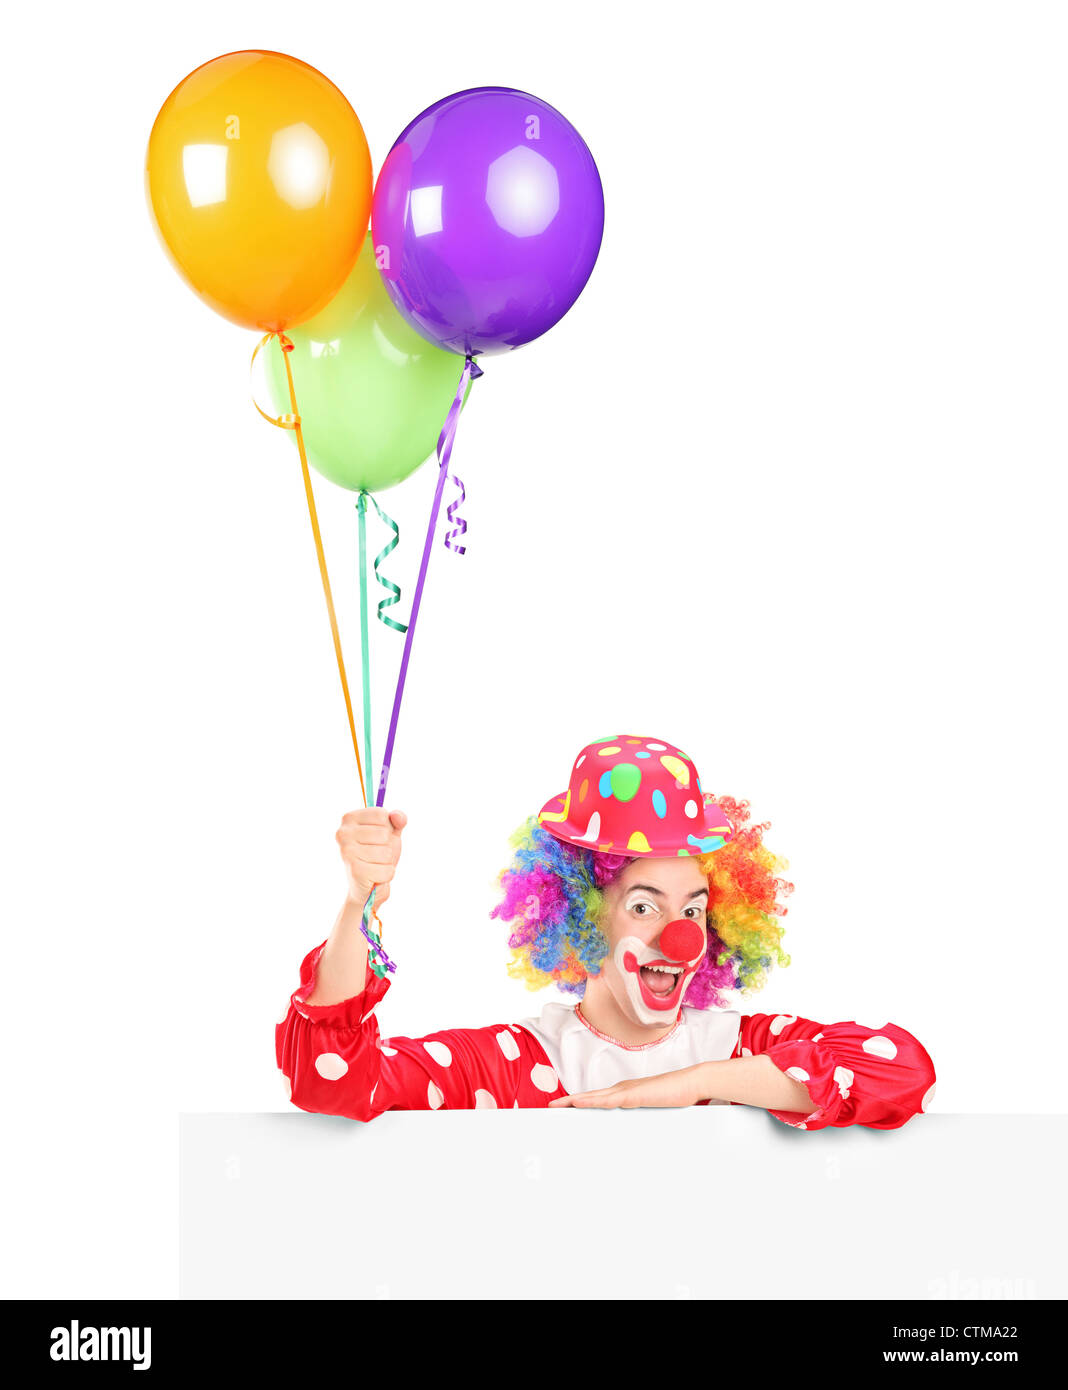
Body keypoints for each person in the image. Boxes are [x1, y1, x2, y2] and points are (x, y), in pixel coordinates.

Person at [276, 736, 936, 1129]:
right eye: (645, 908)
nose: (679, 937)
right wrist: (357, 903)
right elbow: (333, 1082)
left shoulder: (744, 1049)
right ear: (584, 914)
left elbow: (900, 1069)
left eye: (694, 909)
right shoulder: (511, 1065)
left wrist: (689, 1084)